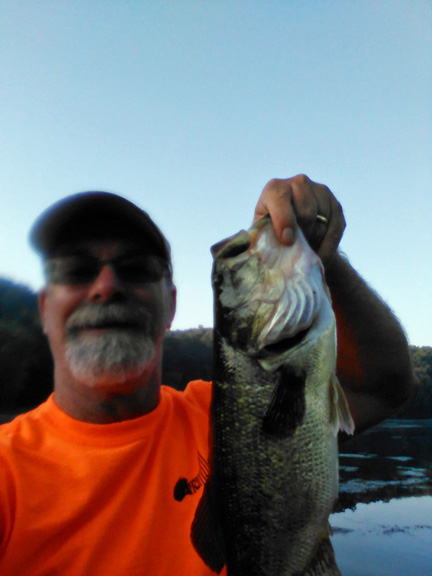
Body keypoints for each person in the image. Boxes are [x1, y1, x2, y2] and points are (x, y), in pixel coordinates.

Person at [0, 175, 416, 575]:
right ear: (43, 309)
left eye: (136, 268)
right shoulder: (6, 472)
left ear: (171, 305)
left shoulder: (218, 411)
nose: (106, 286)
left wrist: (325, 261)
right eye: (76, 270)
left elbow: (385, 386)